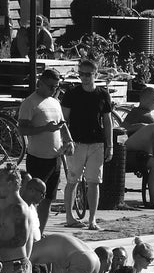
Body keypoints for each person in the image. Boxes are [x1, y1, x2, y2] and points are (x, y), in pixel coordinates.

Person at [61, 57, 115, 231]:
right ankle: (69, 217)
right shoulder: (72, 93)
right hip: (76, 142)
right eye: (81, 74)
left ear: (95, 74)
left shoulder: (102, 95)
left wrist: (110, 145)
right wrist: (66, 140)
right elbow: (63, 119)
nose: (84, 77)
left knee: (94, 181)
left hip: (97, 142)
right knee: (72, 180)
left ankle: (92, 219)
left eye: (88, 74)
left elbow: (107, 121)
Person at [17, 68, 71, 230]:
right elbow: (22, 130)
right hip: (38, 158)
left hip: (55, 158)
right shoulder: (30, 103)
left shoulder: (54, 102)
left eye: (56, 87)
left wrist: (69, 141)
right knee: (33, 198)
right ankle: (27, 230)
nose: (53, 90)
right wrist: (44, 129)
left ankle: (40, 232)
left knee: (47, 199)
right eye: (50, 86)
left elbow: (61, 125)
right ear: (40, 83)